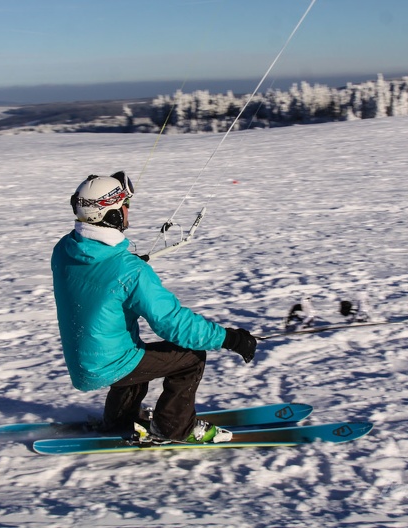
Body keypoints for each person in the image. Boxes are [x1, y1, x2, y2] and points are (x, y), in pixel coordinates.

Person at [51, 171, 257, 444]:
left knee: (139, 358)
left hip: (84, 362)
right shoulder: (130, 272)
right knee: (191, 357)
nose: (128, 214)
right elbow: (172, 322)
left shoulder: (65, 249)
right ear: (110, 216)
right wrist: (229, 338)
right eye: (125, 207)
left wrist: (121, 261)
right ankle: (174, 428)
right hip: (109, 362)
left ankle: (118, 421)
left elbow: (96, 276)